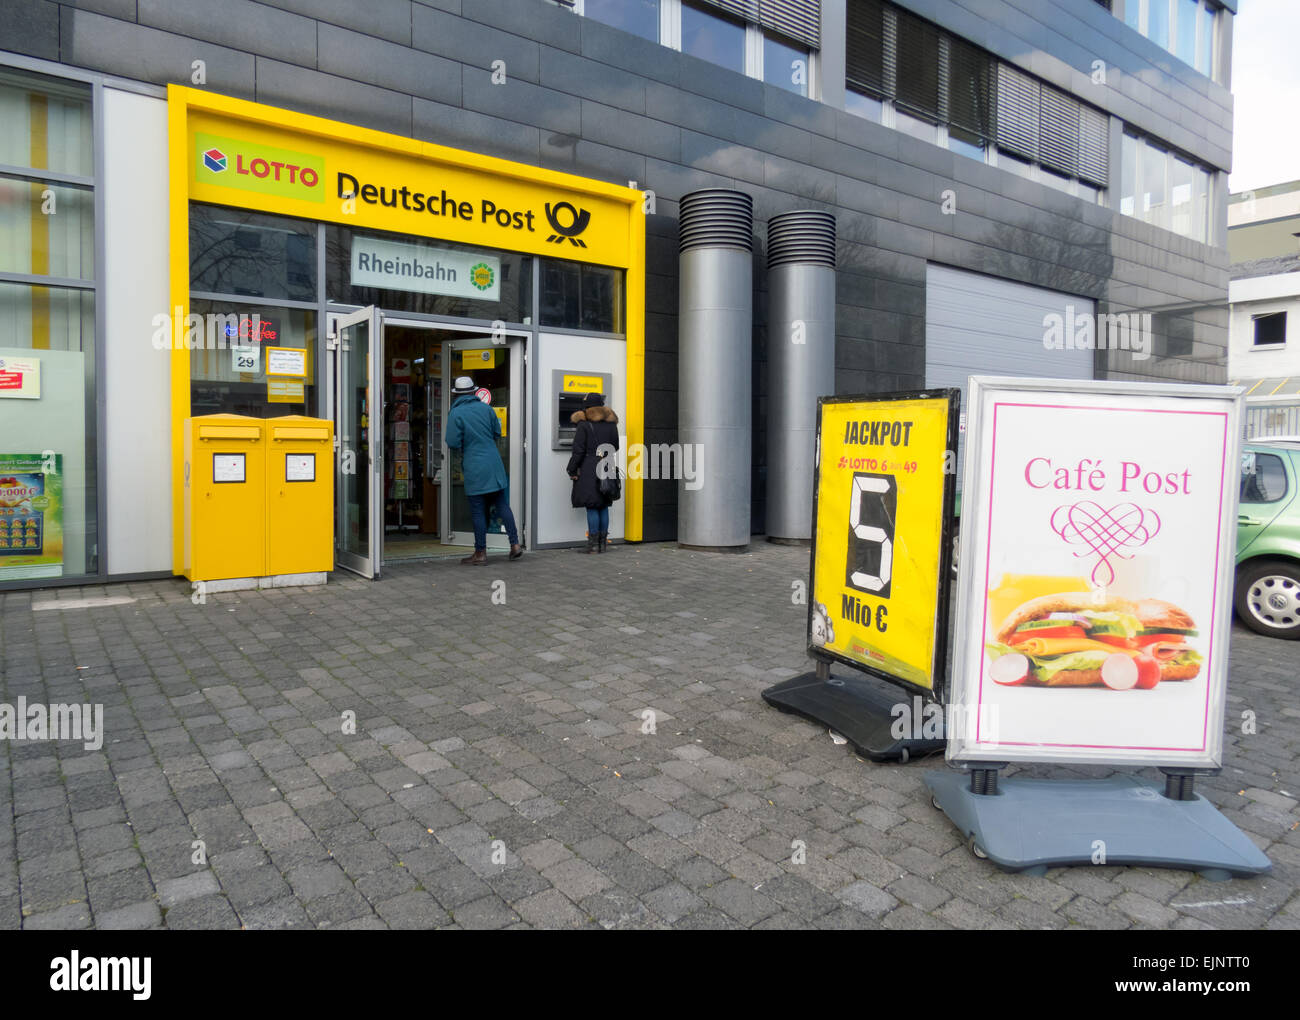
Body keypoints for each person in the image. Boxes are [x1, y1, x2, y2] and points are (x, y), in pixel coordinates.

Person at [445, 375, 522, 565]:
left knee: (478, 510)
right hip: (494, 463)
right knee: (502, 504)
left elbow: (452, 442)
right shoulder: (486, 408)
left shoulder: (456, 413)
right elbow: (497, 432)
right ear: (473, 392)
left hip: (474, 465)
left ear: (456, 395)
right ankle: (514, 544)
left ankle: (480, 553)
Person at [566, 392, 620, 553]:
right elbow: (616, 446)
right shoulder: (611, 424)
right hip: (607, 465)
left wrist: (571, 469)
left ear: (587, 407)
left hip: (589, 467)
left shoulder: (584, 425)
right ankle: (602, 544)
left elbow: (578, 451)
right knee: (603, 504)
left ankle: (593, 545)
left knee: (591, 505)